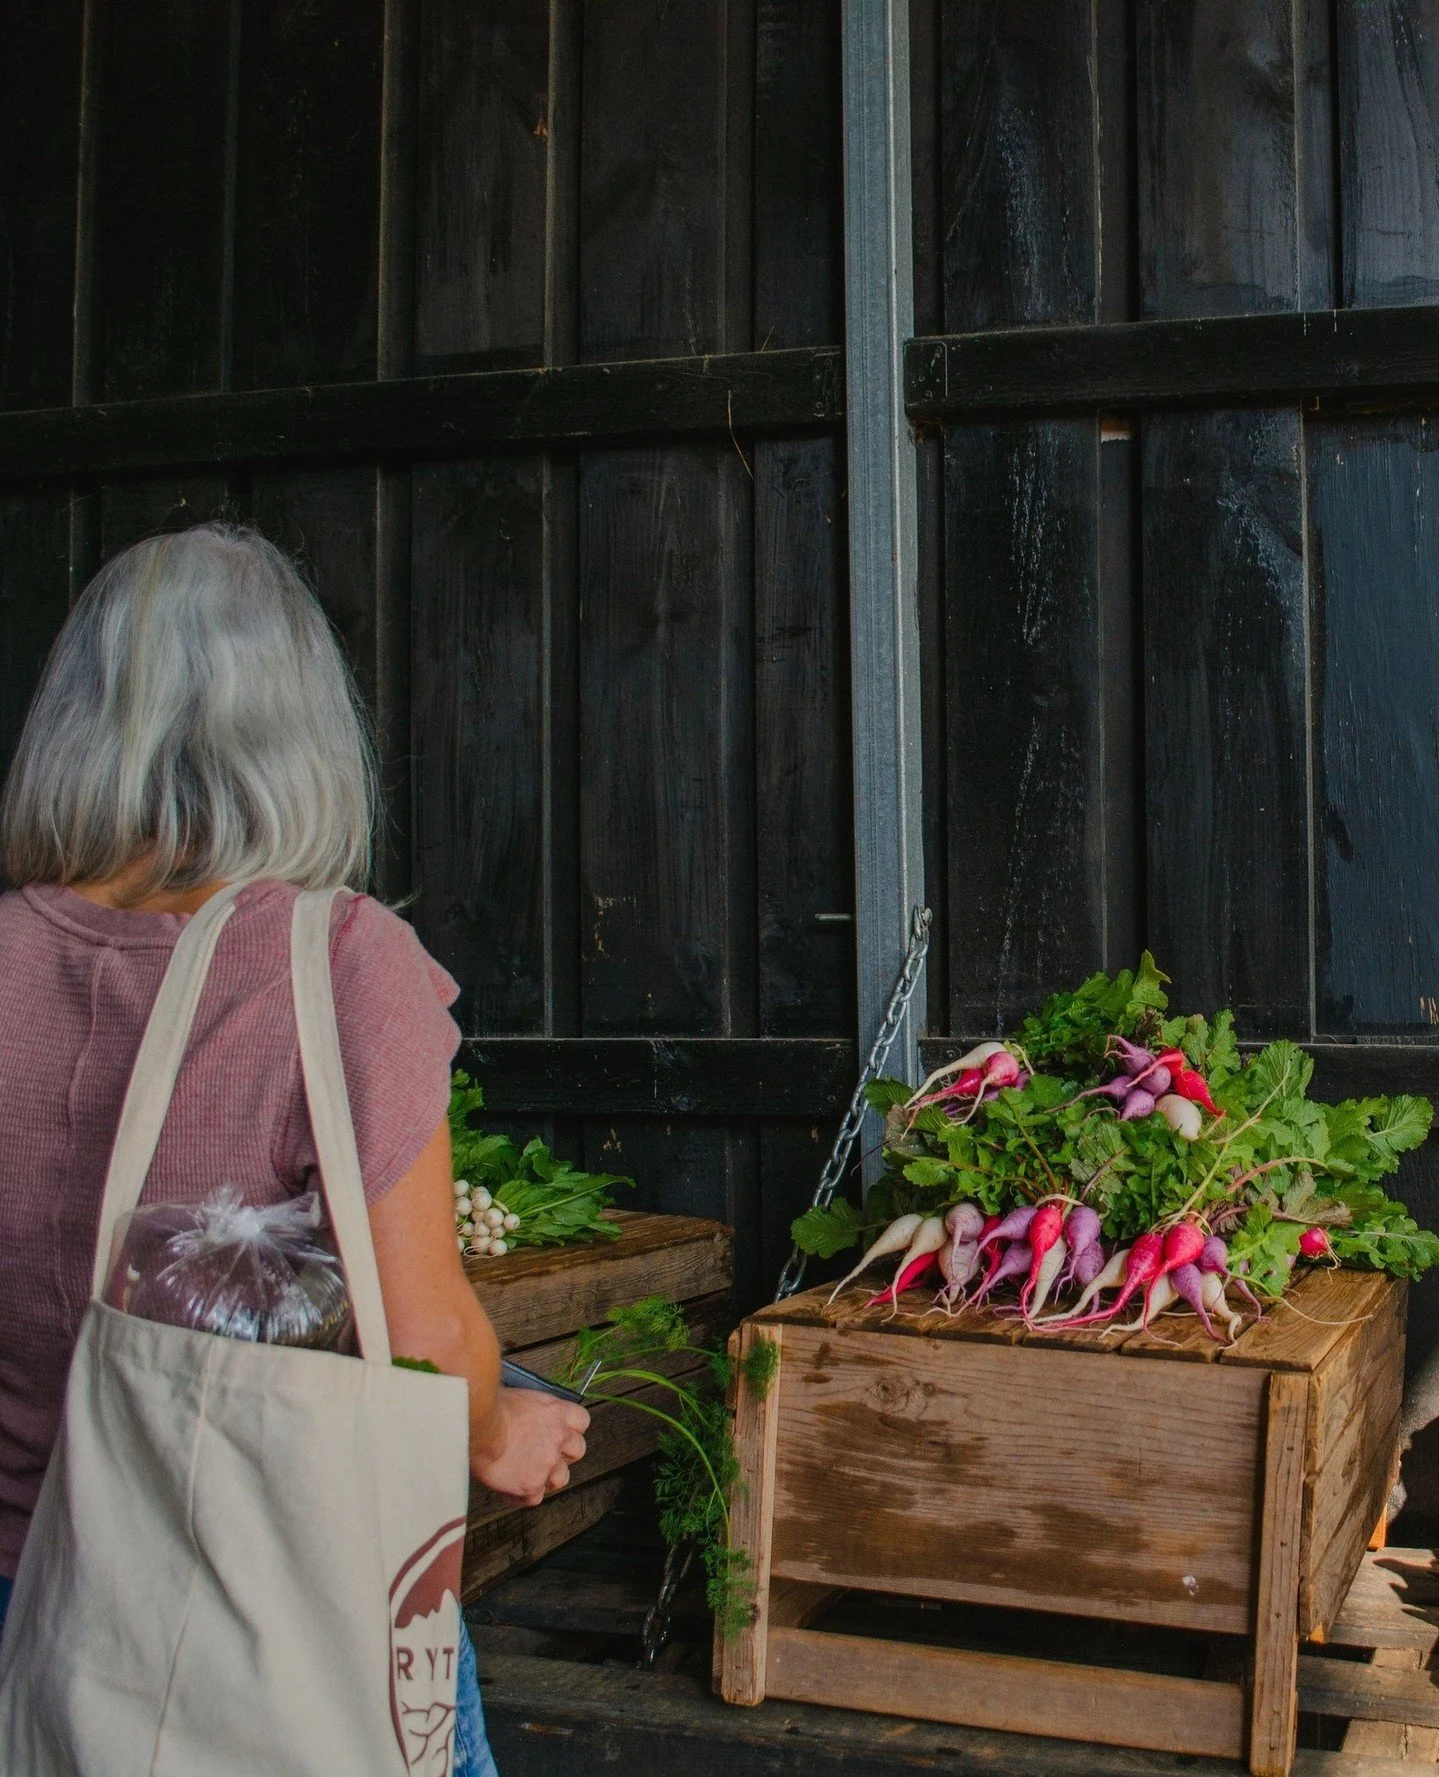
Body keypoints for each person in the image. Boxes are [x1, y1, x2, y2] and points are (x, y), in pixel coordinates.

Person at [0, 523, 588, 1775]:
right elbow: (426, 1342)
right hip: (256, 1614)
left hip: (25, 1604)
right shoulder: (334, 961)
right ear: (308, 731)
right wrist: (500, 1434)